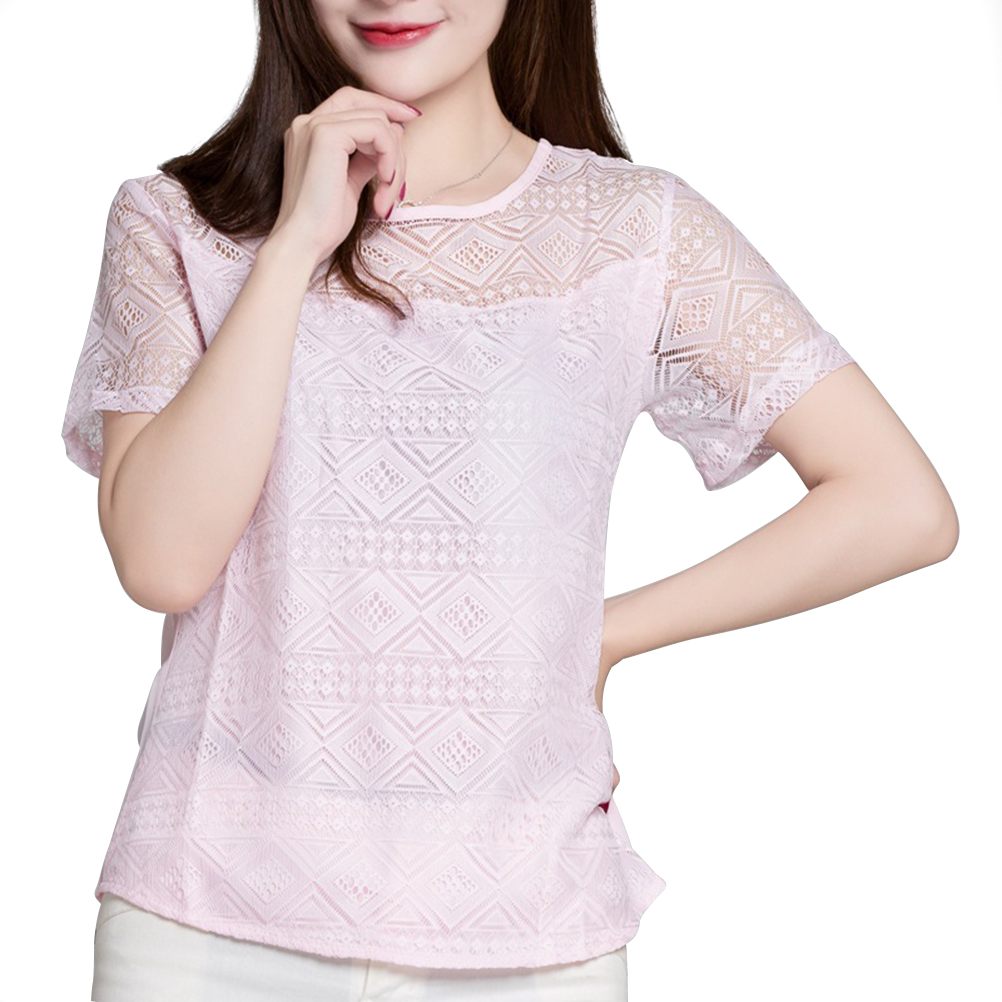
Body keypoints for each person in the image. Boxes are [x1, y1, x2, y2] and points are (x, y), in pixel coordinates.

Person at [61, 0, 959, 999]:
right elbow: (162, 562)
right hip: (206, 914)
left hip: (529, 925)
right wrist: (292, 247)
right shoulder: (176, 223)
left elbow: (898, 503)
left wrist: (603, 637)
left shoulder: (633, 230)